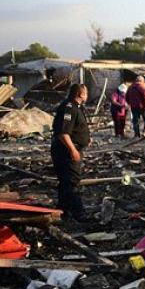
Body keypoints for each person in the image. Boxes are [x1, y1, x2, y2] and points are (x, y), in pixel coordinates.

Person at [52, 84, 91, 221]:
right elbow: (63, 133)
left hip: (71, 148)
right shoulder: (69, 108)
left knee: (65, 182)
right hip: (66, 151)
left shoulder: (76, 107)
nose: (87, 95)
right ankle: (79, 213)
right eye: (86, 92)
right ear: (80, 94)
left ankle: (63, 211)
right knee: (72, 182)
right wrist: (73, 150)